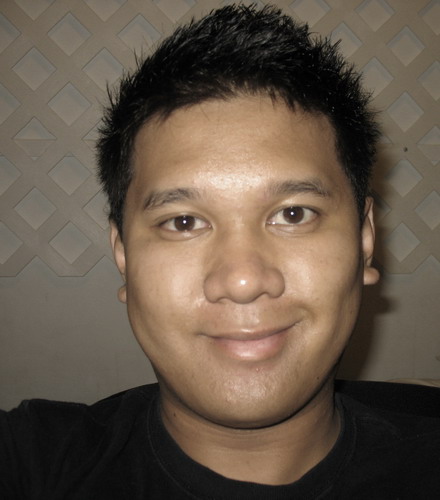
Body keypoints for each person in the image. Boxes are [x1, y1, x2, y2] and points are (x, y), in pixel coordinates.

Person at [1, 4, 439, 499]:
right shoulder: (33, 462)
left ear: (364, 240)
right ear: (123, 255)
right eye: (184, 222)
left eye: (293, 214)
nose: (243, 281)